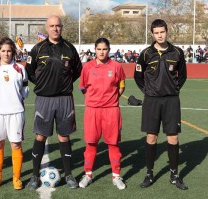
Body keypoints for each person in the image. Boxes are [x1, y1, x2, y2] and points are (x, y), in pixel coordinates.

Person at [25, 15, 82, 190]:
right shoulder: (37, 49)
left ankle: (69, 175)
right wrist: (43, 84)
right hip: (44, 99)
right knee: (40, 136)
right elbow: (30, 71)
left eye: (58, 26)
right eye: (52, 26)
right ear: (47, 27)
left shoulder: (70, 48)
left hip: (64, 99)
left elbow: (77, 71)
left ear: (62, 27)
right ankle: (34, 176)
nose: (55, 28)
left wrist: (63, 83)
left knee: (64, 136)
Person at [134, 19, 188, 190]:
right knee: (151, 137)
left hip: (171, 100)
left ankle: (174, 174)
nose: (160, 35)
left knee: (173, 137)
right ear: (152, 34)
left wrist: (174, 89)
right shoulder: (145, 54)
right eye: (156, 33)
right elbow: (137, 76)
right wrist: (148, 91)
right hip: (151, 101)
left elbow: (183, 76)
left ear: (166, 31)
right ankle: (149, 174)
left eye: (162, 32)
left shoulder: (177, 53)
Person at [78, 38, 126, 190]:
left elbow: (121, 87)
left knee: (113, 144)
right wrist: (94, 100)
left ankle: (116, 176)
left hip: (111, 110)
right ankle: (88, 174)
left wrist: (109, 100)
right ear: (95, 49)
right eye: (99, 49)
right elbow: (83, 88)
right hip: (92, 110)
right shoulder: (87, 67)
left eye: (104, 49)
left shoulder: (117, 66)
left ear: (109, 50)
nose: (102, 52)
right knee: (91, 143)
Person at [0, 37, 29, 190]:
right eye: (3, 50)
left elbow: (25, 91)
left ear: (13, 52)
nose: (6, 53)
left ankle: (16, 178)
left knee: (16, 145)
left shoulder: (20, 69)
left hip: (16, 112)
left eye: (9, 50)